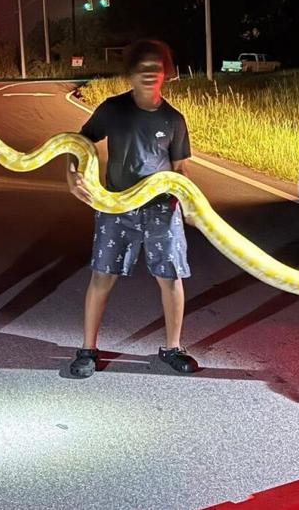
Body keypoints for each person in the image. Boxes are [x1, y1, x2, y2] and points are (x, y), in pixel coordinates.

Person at [66, 39, 198, 378]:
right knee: (102, 276)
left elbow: (180, 169)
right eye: (143, 69)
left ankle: (173, 347)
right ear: (131, 75)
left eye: (156, 69)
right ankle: (88, 350)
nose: (150, 75)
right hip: (117, 206)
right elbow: (78, 143)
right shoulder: (113, 109)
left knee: (171, 277)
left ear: (166, 74)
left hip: (161, 211)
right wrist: (73, 175)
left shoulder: (174, 119)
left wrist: (189, 205)